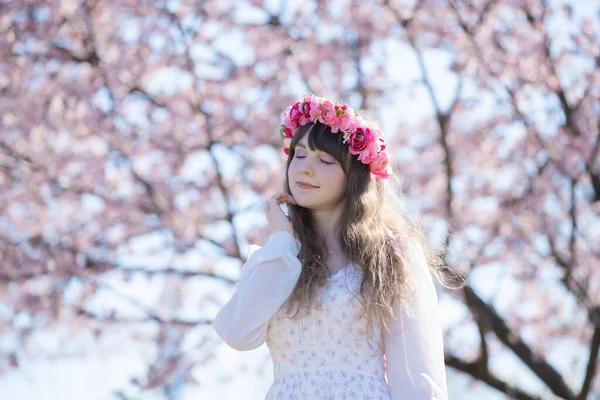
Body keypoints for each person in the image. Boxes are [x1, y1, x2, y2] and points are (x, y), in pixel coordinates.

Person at [214, 94, 461, 399]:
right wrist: (283, 241)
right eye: (299, 155)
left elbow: (417, 378)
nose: (304, 169)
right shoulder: (277, 257)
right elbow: (236, 333)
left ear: (353, 176)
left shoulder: (390, 257)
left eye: (325, 160)